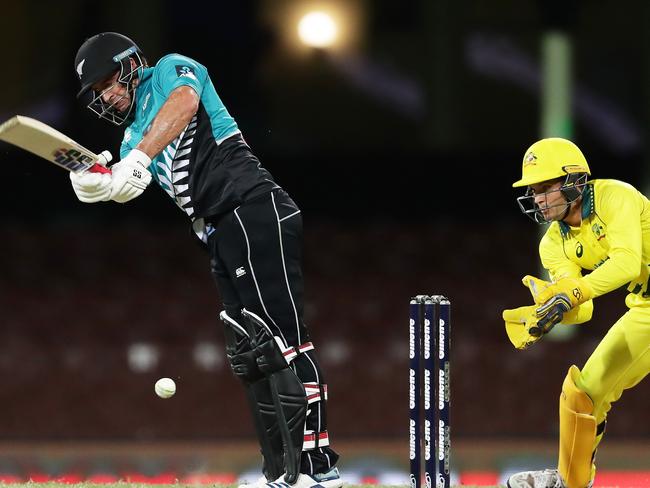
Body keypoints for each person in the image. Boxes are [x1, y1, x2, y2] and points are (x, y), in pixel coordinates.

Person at [70, 32, 342, 488]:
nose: (109, 95)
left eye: (109, 81)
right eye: (98, 93)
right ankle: (282, 472)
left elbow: (183, 104)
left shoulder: (172, 70)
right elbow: (125, 180)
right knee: (253, 354)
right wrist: (97, 181)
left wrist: (134, 159)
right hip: (217, 231)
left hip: (252, 209)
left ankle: (320, 470)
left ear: (132, 63)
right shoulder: (133, 136)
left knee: (284, 343)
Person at [502, 137, 650, 488]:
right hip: (646, 308)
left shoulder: (616, 196)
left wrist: (572, 292)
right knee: (581, 395)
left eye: (545, 187)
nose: (538, 197)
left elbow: (627, 263)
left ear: (575, 180)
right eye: (533, 190)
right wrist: (552, 311)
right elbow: (583, 308)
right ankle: (571, 483)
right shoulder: (552, 244)